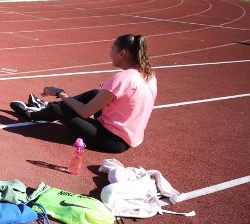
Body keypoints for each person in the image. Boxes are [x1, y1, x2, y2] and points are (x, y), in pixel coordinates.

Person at [10, 34, 157, 153]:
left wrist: (60, 92)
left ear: (122, 53)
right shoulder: (149, 75)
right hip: (127, 135)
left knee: (58, 108)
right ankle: (44, 105)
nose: (109, 53)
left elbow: (86, 112)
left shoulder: (122, 77)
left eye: (112, 49)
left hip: (112, 140)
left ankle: (32, 114)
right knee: (94, 93)